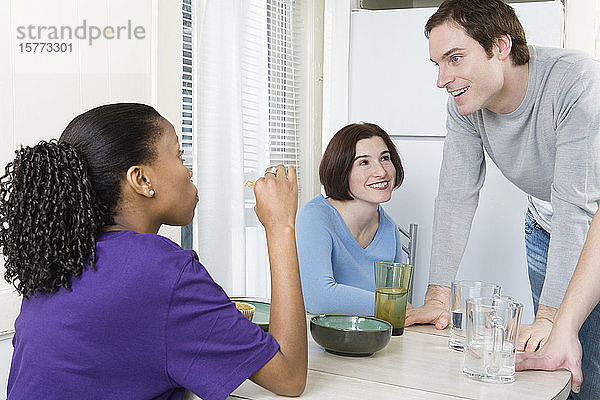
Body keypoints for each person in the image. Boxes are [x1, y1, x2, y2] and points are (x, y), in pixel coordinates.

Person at [0, 103, 307, 399]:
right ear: (142, 179)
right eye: (179, 155)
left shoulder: (59, 259)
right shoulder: (160, 269)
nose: (188, 172)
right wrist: (280, 226)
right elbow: (289, 376)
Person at [402, 1, 600, 398]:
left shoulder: (575, 82)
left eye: (454, 58)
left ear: (501, 45)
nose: (443, 79)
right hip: (546, 229)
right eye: (437, 64)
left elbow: (576, 208)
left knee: (585, 360)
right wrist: (438, 296)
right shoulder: (465, 105)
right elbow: (456, 195)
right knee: (565, 371)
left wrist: (549, 316)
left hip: (586, 222)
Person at [295, 123, 404, 316]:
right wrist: (395, 307)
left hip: (370, 340)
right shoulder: (315, 217)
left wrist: (396, 308)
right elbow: (318, 299)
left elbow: (395, 306)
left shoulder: (389, 230)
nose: (381, 172)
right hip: (317, 342)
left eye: (385, 158)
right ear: (341, 169)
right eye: (364, 162)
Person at [516, 208, 600, 394]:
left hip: (584, 220)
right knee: (557, 375)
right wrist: (559, 325)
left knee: (591, 387)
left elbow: (577, 199)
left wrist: (552, 319)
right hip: (548, 224)